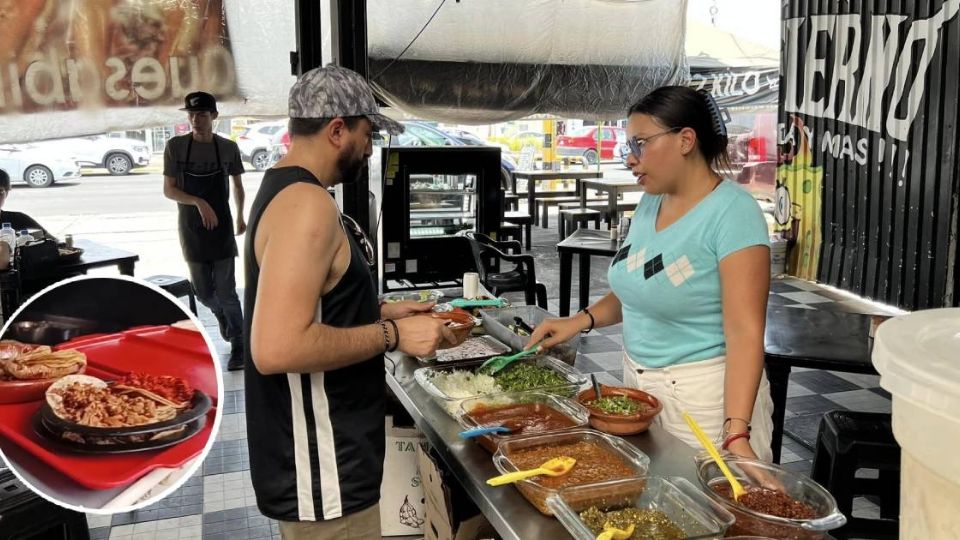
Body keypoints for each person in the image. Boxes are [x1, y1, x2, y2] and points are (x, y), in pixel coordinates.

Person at [243, 64, 454, 539]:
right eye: (367, 133)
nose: (370, 146)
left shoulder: (287, 190)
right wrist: (394, 334)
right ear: (337, 129)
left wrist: (376, 311)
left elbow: (310, 305)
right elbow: (276, 347)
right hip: (322, 468)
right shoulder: (306, 205)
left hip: (327, 460)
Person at [528, 86, 774, 461]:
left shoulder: (733, 213)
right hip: (641, 390)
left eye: (640, 143)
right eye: (629, 146)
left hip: (707, 402)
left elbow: (745, 331)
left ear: (685, 140)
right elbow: (640, 288)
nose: (630, 158)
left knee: (713, 512)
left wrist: (736, 430)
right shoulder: (650, 203)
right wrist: (579, 321)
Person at [163, 91, 247, 371]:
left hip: (221, 228)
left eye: (201, 114)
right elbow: (169, 189)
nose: (195, 120)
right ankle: (222, 316)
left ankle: (239, 344)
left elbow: (237, 185)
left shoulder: (227, 148)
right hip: (191, 228)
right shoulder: (175, 147)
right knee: (203, 292)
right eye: (191, 115)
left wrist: (240, 217)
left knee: (227, 291)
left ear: (214, 117)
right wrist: (198, 201)